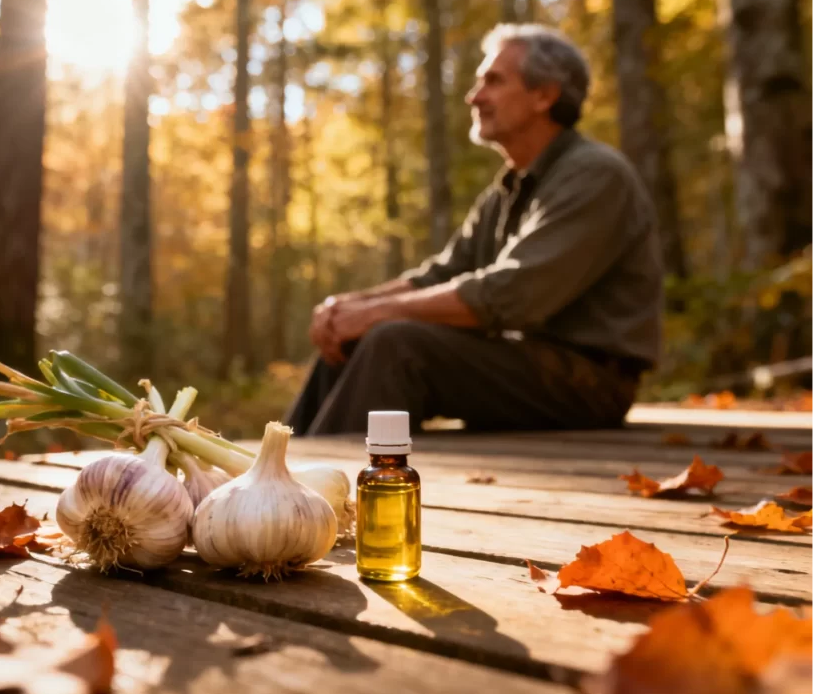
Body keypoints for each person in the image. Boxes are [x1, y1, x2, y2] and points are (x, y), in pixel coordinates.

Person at [285, 23, 664, 436]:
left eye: (493, 81)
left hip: (588, 383)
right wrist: (347, 308)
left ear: (545, 95)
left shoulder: (595, 176)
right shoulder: (504, 191)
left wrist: (375, 314)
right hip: (523, 362)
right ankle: (272, 479)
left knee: (395, 343)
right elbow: (439, 276)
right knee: (352, 336)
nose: (474, 96)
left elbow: (513, 294)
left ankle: (331, 488)